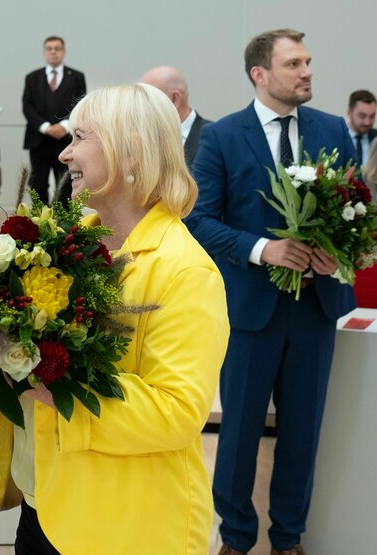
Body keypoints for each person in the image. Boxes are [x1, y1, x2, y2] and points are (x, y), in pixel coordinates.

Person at [0, 83, 229, 554]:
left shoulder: (186, 271)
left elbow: (176, 412)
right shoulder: (67, 246)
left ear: (130, 152)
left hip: (124, 523)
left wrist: (49, 382)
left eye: (79, 138)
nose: (63, 155)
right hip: (47, 505)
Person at [186, 29, 357, 555]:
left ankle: (289, 538)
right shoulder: (222, 137)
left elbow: (360, 212)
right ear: (260, 74)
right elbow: (198, 220)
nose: (306, 72)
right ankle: (236, 537)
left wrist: (341, 252)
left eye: (307, 63)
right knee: (237, 434)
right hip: (249, 311)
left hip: (315, 307)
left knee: (302, 434)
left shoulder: (334, 130)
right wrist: (264, 249)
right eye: (293, 64)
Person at [22, 36, 86, 205]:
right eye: (49, 48)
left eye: (57, 48)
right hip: (39, 141)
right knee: (38, 183)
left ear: (63, 52)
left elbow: (80, 103)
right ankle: (40, 222)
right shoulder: (32, 78)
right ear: (44, 52)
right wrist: (46, 127)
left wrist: (64, 126)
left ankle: (63, 224)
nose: (53, 52)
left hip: (65, 141)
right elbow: (27, 107)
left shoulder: (77, 77)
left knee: (65, 184)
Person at [139, 65, 211, 166]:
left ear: (174, 99)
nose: (139, 106)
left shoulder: (214, 139)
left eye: (146, 98)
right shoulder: (139, 139)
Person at [346, 89, 376, 165]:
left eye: (372, 116)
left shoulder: (375, 138)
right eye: (362, 116)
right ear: (349, 113)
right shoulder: (337, 137)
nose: (367, 122)